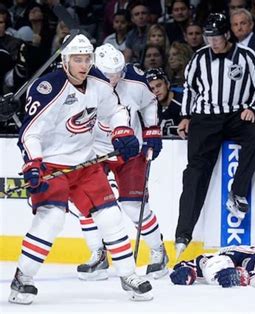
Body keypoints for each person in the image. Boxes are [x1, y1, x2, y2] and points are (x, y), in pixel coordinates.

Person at [9, 34, 153, 304]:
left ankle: (128, 275)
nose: (84, 64)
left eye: (87, 58)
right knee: (51, 220)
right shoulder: (49, 88)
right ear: (65, 60)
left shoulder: (98, 81)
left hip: (86, 165)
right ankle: (22, 280)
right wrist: (33, 163)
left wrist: (122, 131)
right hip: (53, 164)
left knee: (110, 216)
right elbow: (30, 133)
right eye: (78, 59)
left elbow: (116, 110)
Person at [174, 13, 255, 257]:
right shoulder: (198, 58)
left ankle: (237, 192)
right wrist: (185, 116)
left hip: (236, 115)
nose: (212, 42)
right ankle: (183, 233)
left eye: (216, 36)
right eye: (209, 37)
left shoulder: (247, 56)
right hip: (206, 118)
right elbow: (190, 89)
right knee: (195, 170)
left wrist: (252, 108)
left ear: (227, 35)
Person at [72, 43, 167, 281]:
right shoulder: (80, 83)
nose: (114, 79)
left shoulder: (135, 81)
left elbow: (149, 103)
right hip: (96, 151)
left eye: (118, 73)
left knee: (133, 205)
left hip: (129, 151)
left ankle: (158, 251)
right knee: (90, 205)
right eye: (108, 75)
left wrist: (152, 130)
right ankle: (98, 253)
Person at [145, 67, 183, 136]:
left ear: (167, 84)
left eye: (159, 85)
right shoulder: (150, 108)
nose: (156, 91)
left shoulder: (183, 103)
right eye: (152, 89)